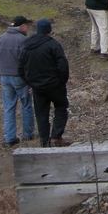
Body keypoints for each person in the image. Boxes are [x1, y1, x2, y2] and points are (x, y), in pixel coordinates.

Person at [18, 19, 72, 147]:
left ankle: (44, 140)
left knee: (41, 113)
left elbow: (20, 68)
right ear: (49, 30)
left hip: (37, 87)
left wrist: (30, 83)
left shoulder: (26, 45)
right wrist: (62, 81)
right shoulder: (53, 45)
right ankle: (56, 136)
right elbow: (63, 65)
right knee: (61, 107)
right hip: (54, 85)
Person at [0, 15, 36, 146]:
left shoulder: (1, 39)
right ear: (22, 26)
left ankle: (9, 138)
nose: (28, 28)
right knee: (26, 105)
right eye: (27, 25)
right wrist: (31, 80)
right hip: (20, 78)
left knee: (9, 107)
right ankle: (28, 134)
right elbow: (28, 62)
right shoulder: (23, 40)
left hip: (4, 77)